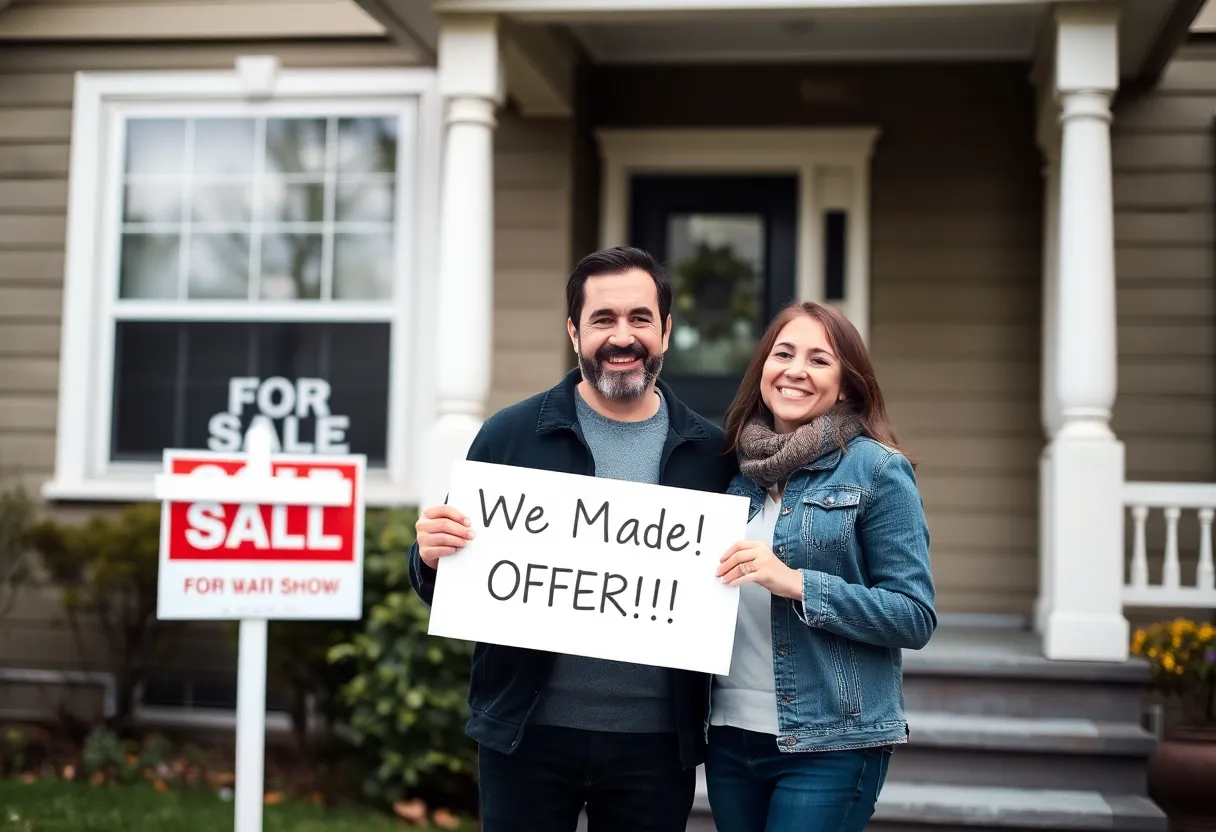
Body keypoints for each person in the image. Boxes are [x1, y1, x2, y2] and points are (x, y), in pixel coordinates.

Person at [407, 246, 738, 832]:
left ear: (666, 330)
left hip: (657, 743)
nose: (622, 336)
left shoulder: (711, 454)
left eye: (639, 319)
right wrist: (431, 556)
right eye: (603, 319)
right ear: (573, 330)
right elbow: (449, 583)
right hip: (527, 733)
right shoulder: (511, 436)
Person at [706, 300, 936, 832]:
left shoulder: (878, 469)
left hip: (831, 739)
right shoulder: (730, 469)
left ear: (848, 384)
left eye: (819, 360)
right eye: (783, 353)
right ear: (762, 367)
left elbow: (913, 615)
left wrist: (796, 583)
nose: (795, 370)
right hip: (728, 734)